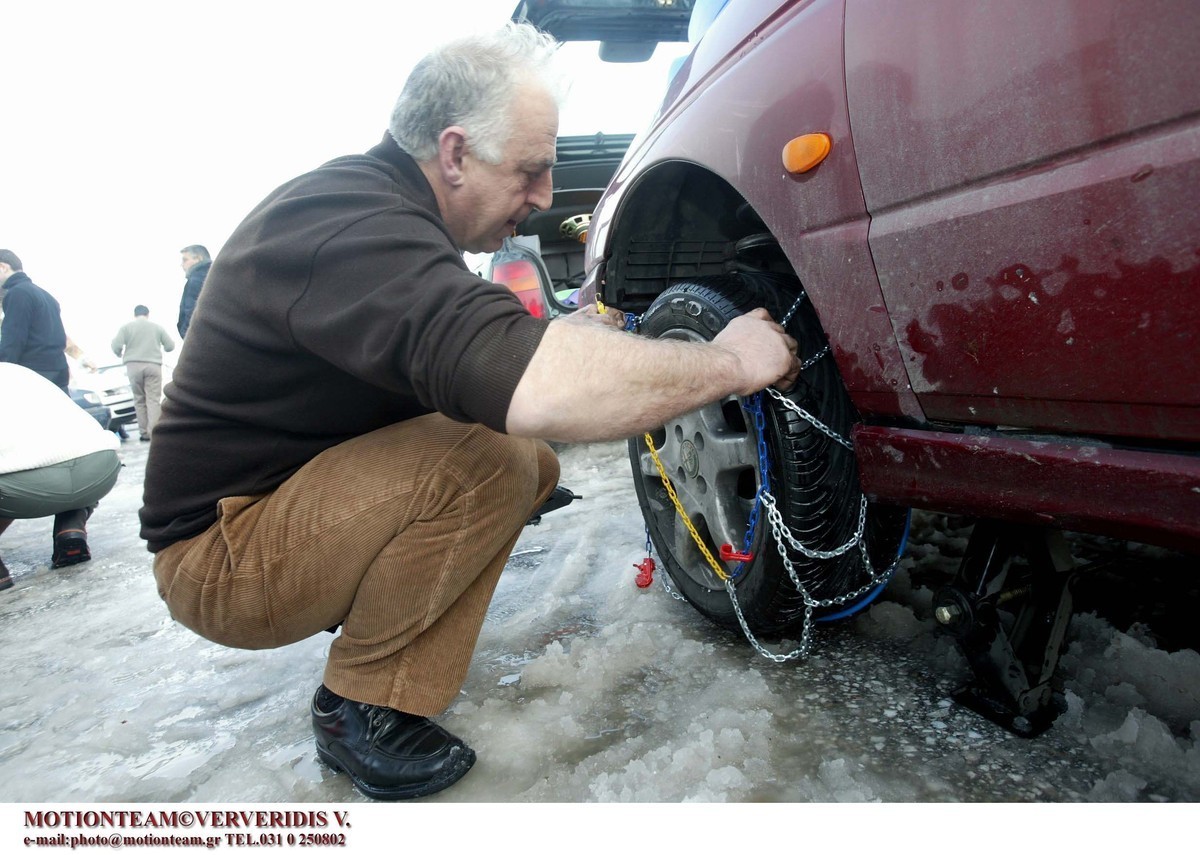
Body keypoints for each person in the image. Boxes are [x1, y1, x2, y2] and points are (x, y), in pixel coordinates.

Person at [140, 22, 799, 802]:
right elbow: (540, 389)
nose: (546, 197)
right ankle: (363, 708)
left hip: (278, 509)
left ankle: (377, 667)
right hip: (222, 554)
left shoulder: (380, 214)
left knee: (522, 463)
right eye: (529, 170)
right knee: (493, 463)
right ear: (454, 154)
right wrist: (728, 362)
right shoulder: (348, 223)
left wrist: (563, 341)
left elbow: (476, 357)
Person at [0, 364, 122, 591]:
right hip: (100, 467)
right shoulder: (18, 371)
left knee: (18, 473)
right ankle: (70, 527)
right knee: (65, 459)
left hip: (32, 484)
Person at [0, 250, 71, 391]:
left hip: (35, 373)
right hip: (58, 369)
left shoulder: (17, 293)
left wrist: (4, 369)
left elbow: (13, 340)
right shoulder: (45, 295)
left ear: (2, 267)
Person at [111, 305, 176, 441]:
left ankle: (144, 433)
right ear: (147, 314)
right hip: (153, 365)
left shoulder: (126, 328)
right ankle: (154, 432)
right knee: (153, 400)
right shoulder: (156, 327)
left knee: (139, 399)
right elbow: (170, 346)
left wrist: (119, 353)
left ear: (135, 314)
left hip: (133, 366)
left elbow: (116, 345)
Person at [176, 245, 211, 338]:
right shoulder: (216, 276)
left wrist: (186, 335)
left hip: (199, 340)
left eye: (185, 260)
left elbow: (191, 313)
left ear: (198, 258)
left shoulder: (196, 280)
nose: (182, 264)